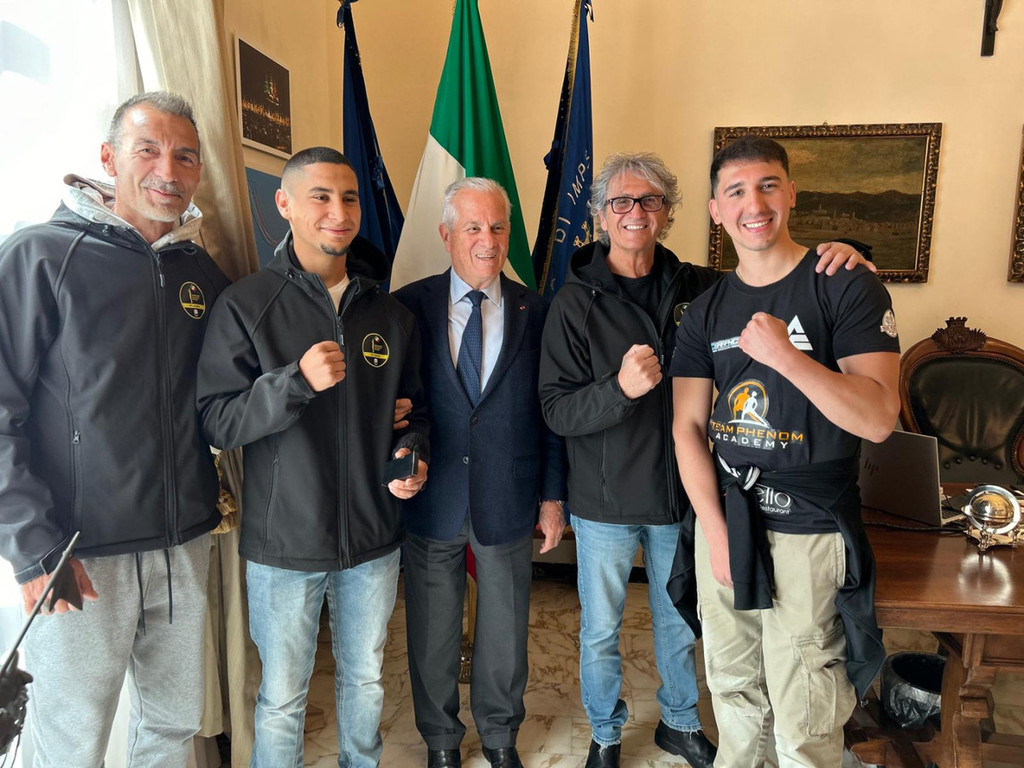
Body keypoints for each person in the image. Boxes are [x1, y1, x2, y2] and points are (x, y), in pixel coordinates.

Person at [537, 152, 872, 768]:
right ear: (601, 215)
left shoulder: (701, 288)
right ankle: (605, 733)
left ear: (668, 212)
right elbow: (556, 411)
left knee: (682, 624)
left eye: (650, 201)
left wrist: (848, 257)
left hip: (684, 496)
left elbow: (771, 273)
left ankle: (681, 723)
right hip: (604, 501)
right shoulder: (572, 302)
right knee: (600, 629)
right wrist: (619, 390)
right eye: (621, 202)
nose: (636, 213)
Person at [0, 91, 230, 766]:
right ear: (108, 157)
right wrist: (33, 548)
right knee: (71, 737)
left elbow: (233, 387)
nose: (168, 170)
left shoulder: (200, 271)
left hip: (184, 542)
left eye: (184, 157)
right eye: (148, 150)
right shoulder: (40, 255)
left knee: (173, 724)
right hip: (77, 550)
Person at [670, 136, 900, 767]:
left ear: (792, 192)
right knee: (732, 691)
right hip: (727, 518)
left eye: (768, 185)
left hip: (810, 527)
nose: (755, 204)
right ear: (716, 209)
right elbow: (686, 427)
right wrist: (714, 532)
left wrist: (787, 358)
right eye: (736, 191)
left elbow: (880, 418)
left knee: (805, 708)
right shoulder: (705, 311)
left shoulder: (844, 285)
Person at [196, 147, 429, 768]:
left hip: (373, 538)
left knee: (367, 680)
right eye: (320, 196)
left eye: (349, 198)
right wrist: (295, 382)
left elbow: (416, 413)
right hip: (283, 544)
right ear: (285, 205)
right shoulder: (246, 304)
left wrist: (411, 455)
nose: (338, 211)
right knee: (281, 697)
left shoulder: (391, 314)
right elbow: (217, 419)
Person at [393, 178, 567, 768]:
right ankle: (441, 740)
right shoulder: (407, 306)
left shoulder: (536, 310)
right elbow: (394, 405)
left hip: (508, 496)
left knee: (505, 632)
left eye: (497, 227)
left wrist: (552, 497)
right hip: (431, 495)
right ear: (446, 235)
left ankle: (499, 736)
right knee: (432, 632)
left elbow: (549, 412)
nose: (487, 240)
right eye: (473, 227)